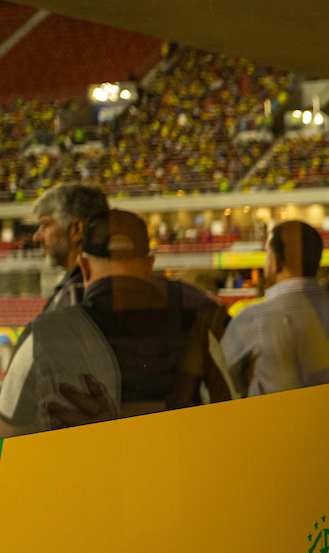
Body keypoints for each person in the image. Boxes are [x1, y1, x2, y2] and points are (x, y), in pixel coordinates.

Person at [0, 210, 233, 434]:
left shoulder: (43, 333)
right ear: (148, 265)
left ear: (84, 266)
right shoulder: (197, 326)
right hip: (178, 469)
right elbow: (233, 418)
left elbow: (6, 431)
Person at [220, 220, 329, 396]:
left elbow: (217, 378)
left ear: (276, 262)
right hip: (328, 418)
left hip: (270, 420)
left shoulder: (255, 317)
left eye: (267, 254)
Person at [30, 183, 111, 313]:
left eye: (45, 225)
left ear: (77, 229)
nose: (36, 237)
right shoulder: (105, 285)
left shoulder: (75, 295)